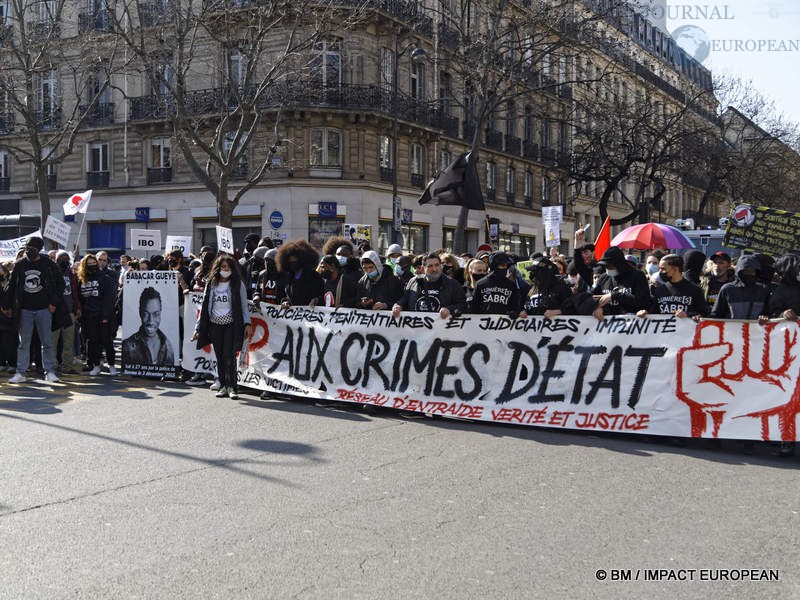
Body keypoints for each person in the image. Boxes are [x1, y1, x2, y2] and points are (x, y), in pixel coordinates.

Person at [192, 255, 251, 400]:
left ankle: (233, 387)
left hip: (231, 324)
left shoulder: (238, 284)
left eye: (228, 268)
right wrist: (198, 328)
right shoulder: (211, 283)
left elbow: (244, 306)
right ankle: (223, 385)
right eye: (223, 267)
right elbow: (204, 306)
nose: (225, 270)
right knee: (219, 356)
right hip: (214, 324)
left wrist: (247, 323)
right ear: (218, 268)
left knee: (229, 356)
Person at [6, 236, 64, 384]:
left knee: (47, 342)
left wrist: (53, 303)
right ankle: (21, 372)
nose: (29, 250)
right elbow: (12, 286)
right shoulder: (20, 264)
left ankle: (50, 371)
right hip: (25, 309)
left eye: (32, 248)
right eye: (27, 247)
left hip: (44, 309)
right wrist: (7, 305)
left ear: (38, 249)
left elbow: (60, 284)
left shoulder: (48, 264)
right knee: (24, 343)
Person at [77, 253, 118, 376]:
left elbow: (109, 299)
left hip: (103, 317)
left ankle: (111, 365)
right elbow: (80, 299)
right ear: (84, 266)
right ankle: (96, 365)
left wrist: (106, 316)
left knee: (107, 342)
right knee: (92, 343)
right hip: (89, 317)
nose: (92, 265)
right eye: (88, 264)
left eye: (93, 263)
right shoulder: (82, 280)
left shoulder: (105, 278)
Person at [392, 253, 466, 319]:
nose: (434, 269)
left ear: (441, 266)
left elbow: (463, 305)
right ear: (423, 268)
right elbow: (405, 298)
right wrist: (398, 305)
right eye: (430, 266)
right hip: (416, 328)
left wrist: (449, 309)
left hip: (441, 330)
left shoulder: (452, 284)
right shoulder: (413, 281)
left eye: (437, 265)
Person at [637, 254, 708, 318]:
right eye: (660, 269)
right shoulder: (660, 289)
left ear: (675, 269)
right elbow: (654, 312)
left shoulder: (695, 290)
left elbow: (704, 313)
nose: (660, 272)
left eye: (663, 269)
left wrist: (688, 314)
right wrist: (645, 313)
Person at [122, 286, 175, 367]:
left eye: (156, 314)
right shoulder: (128, 346)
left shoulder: (168, 346)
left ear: (161, 313)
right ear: (140, 312)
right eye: (146, 314)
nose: (151, 320)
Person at [710, 255, 771, 320]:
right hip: (730, 329)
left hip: (756, 329)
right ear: (739, 272)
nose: (749, 274)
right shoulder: (727, 289)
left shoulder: (763, 290)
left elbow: (769, 313)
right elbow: (716, 315)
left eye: (752, 271)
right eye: (746, 271)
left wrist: (765, 316)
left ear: (756, 272)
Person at [51, 250, 81, 375]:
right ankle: (51, 366)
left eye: (66, 258)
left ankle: (67, 366)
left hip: (69, 312)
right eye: (61, 258)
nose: (64, 260)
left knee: (68, 342)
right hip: (55, 313)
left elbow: (76, 294)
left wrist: (78, 307)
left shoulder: (73, 275)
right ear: (56, 260)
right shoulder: (51, 273)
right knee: (52, 342)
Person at [470, 252, 521, 317]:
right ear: (494, 266)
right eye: (502, 266)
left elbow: (516, 306)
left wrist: (514, 312)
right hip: (483, 323)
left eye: (506, 266)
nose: (505, 268)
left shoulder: (511, 285)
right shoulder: (481, 284)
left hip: (504, 324)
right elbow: (474, 307)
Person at [276, 239, 324, 307]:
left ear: (302, 260)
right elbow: (285, 295)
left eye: (295, 262)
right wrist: (285, 301)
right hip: (293, 315)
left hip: (309, 314)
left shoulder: (313, 276)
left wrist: (316, 300)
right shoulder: (288, 276)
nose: (293, 264)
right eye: (290, 262)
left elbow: (321, 295)